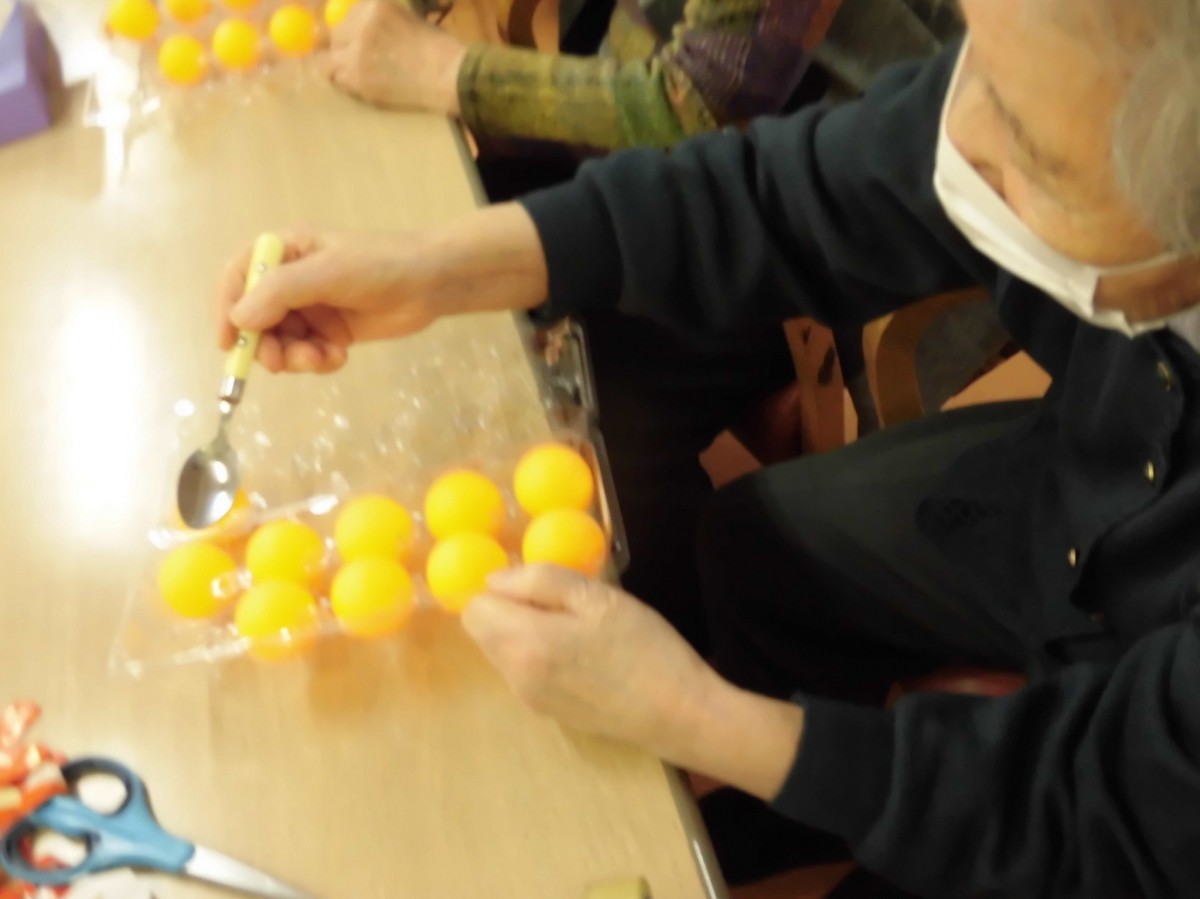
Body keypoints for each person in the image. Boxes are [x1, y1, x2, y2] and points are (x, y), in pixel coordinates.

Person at [212, 0, 1200, 895]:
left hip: (1145, 767)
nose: (959, 132)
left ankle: (826, 793)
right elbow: (794, 193)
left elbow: (1113, 805)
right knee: (756, 541)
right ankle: (785, 813)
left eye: (1029, 151)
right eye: (972, 55)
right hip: (1096, 476)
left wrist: (709, 720)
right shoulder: (1078, 75)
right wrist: (434, 267)